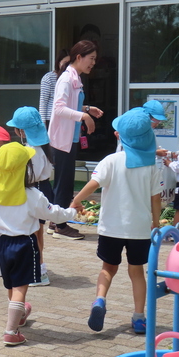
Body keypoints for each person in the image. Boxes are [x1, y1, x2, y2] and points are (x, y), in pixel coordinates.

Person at [71, 108, 162, 335]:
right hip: (139, 229)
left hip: (111, 227)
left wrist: (76, 200)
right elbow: (156, 198)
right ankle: (139, 318)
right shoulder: (151, 166)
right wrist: (156, 222)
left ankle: (100, 300)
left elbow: (94, 184)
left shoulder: (110, 160)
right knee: (137, 271)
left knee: (108, 268)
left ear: (119, 136)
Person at [0, 142, 76, 346]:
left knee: (11, 284)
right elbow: (53, 213)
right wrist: (73, 212)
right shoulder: (31, 195)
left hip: (2, 244)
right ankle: (10, 331)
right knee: (20, 287)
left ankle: (19, 315)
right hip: (24, 244)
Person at [48, 40, 104, 240]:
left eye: (95, 59)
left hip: (68, 138)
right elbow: (59, 108)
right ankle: (60, 226)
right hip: (62, 139)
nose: (93, 63)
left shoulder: (74, 78)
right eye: (91, 59)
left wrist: (87, 109)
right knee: (63, 184)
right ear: (79, 57)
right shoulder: (66, 79)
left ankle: (56, 221)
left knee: (64, 182)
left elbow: (70, 105)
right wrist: (84, 116)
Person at [7, 106, 54, 287]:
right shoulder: (43, 147)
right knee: (37, 231)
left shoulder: (30, 151)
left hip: (32, 190)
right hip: (43, 188)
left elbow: (27, 177)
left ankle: (38, 270)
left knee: (32, 232)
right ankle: (38, 267)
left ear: (22, 131)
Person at [39, 50, 70, 127]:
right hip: (51, 118)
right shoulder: (48, 77)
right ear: (58, 62)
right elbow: (43, 101)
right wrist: (42, 123)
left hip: (68, 117)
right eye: (65, 62)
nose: (67, 65)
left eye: (70, 62)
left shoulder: (73, 78)